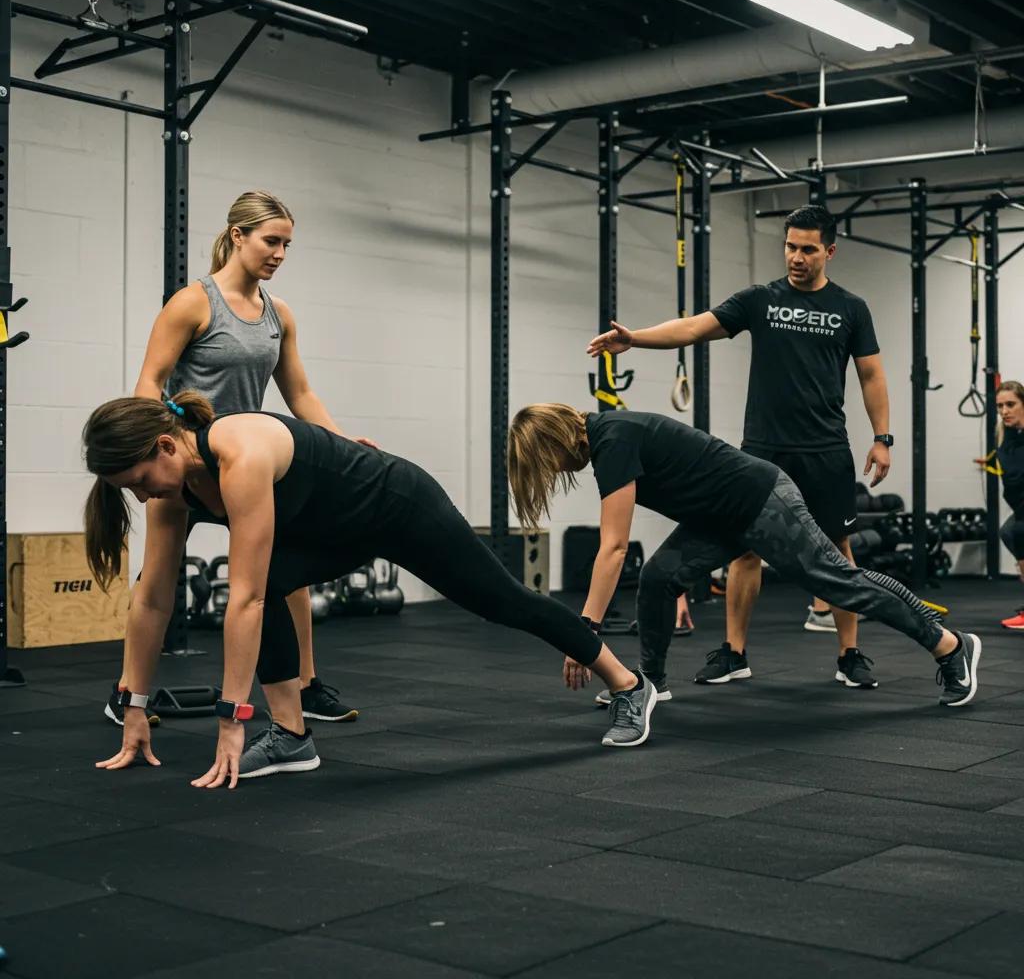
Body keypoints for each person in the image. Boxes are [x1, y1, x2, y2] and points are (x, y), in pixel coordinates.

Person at [86, 393, 657, 788]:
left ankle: (628, 684)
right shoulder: (170, 493)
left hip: (397, 505)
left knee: (501, 601)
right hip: (333, 530)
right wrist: (132, 706)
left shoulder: (239, 452)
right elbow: (153, 599)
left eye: (138, 482)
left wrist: (230, 719)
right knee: (275, 578)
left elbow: (245, 600)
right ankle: (290, 735)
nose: (142, 497)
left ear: (165, 445)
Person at [589, 204, 891, 691]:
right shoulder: (760, 300)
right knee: (746, 550)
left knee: (838, 549)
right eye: (790, 246)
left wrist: (882, 438)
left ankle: (850, 653)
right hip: (764, 450)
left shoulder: (850, 308)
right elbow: (694, 327)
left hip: (825, 448)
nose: (796, 256)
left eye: (808, 249)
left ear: (829, 251)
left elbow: (871, 374)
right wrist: (635, 339)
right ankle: (734, 653)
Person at [508, 403, 981, 713]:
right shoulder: (608, 439)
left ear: (555, 442)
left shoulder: (612, 439)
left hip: (761, 500)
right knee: (658, 578)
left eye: (543, 462)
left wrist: (583, 631)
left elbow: (612, 548)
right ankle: (647, 682)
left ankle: (949, 646)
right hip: (720, 516)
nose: (550, 473)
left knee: (840, 582)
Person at [104, 191, 363, 729]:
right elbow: (149, 384)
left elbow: (301, 393)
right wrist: (156, 454)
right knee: (158, 579)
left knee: (287, 576)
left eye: (288, 245)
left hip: (246, 465)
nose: (280, 254)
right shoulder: (193, 303)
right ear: (238, 235)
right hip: (185, 463)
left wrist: (341, 446)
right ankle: (129, 693)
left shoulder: (278, 314)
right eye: (272, 241)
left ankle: (307, 686)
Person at [976, 380, 1024, 629]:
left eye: (1011, 405)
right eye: (1000, 406)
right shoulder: (1006, 436)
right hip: (1020, 506)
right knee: (1008, 532)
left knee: (1019, 532)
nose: (1004, 410)